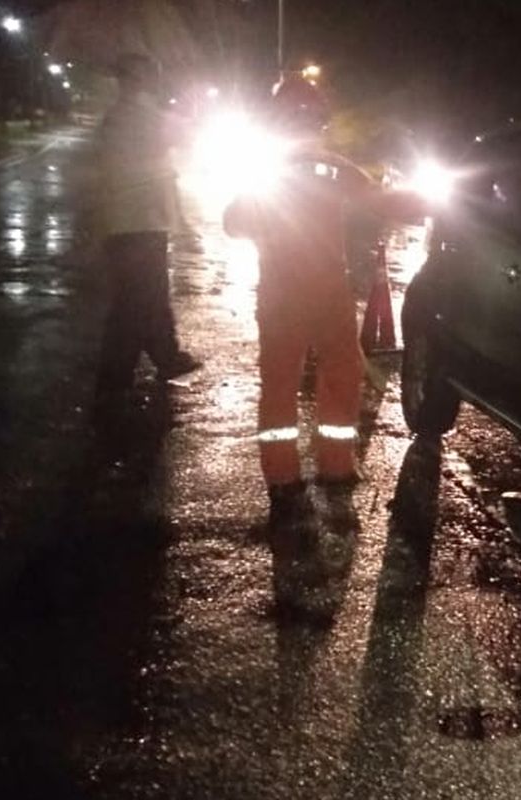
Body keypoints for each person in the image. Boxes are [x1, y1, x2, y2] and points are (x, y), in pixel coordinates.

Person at [224, 76, 408, 523]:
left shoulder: (268, 173)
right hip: (328, 290)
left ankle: (284, 480)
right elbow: (385, 202)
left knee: (280, 385)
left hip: (281, 294)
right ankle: (336, 467)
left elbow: (234, 223)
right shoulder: (335, 167)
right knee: (341, 374)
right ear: (319, 121)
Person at [95, 53, 200, 400]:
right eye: (148, 75)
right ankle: (117, 373)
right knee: (137, 299)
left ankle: (164, 357)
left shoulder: (118, 117)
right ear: (138, 79)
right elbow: (178, 136)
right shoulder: (136, 116)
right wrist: (189, 112)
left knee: (146, 295)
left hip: (127, 222)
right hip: (139, 223)